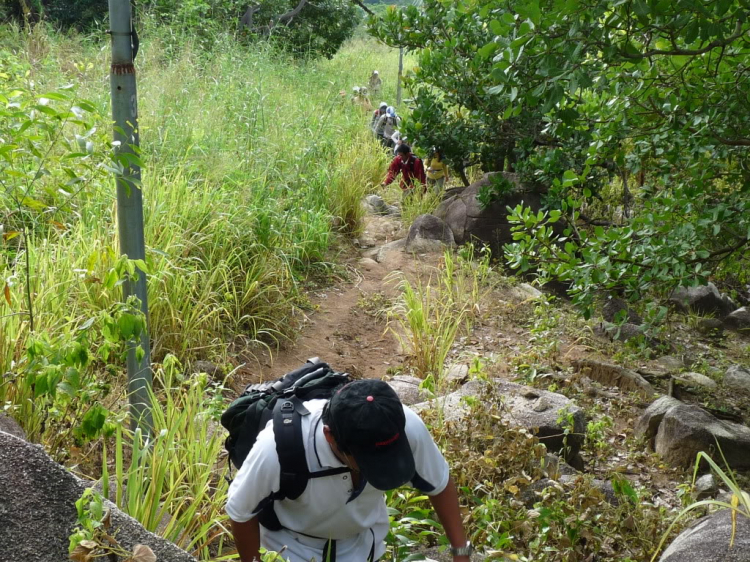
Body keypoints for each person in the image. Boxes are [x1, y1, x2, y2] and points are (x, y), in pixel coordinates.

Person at [227, 379, 472, 562]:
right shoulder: (278, 446)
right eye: (366, 460)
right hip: (290, 547)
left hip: (363, 544)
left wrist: (461, 552)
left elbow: (438, 483)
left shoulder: (403, 427)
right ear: (330, 437)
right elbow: (240, 511)